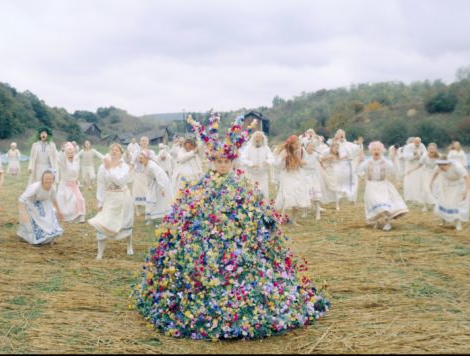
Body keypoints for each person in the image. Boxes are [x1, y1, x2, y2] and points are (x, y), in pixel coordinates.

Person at [130, 113, 330, 340]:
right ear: (212, 161)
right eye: (219, 161)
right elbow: (188, 211)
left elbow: (257, 207)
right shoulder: (200, 186)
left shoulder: (241, 183)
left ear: (232, 161)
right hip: (205, 249)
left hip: (240, 248)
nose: (223, 165)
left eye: (226, 161)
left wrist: (269, 222)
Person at [88, 143, 134, 259]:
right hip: (109, 197)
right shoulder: (102, 166)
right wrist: (100, 201)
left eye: (117, 150)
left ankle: (129, 246)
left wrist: (110, 169)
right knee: (103, 222)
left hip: (123, 196)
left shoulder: (124, 167)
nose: (114, 152)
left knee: (126, 222)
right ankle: (100, 254)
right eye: (112, 150)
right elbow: (101, 184)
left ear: (121, 153)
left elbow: (120, 181)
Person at [357, 141, 408, 231]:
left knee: (385, 204)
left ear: (381, 151)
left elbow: (393, 170)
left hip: (383, 185)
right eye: (374, 149)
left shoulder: (385, 162)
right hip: (371, 185)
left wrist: (393, 158)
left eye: (378, 149)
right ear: (371, 151)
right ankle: (377, 222)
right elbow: (360, 169)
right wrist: (361, 175)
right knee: (374, 202)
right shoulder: (368, 162)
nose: (376, 151)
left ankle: (387, 223)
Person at [17, 169, 64, 245]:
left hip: (43, 206)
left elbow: (54, 200)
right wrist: (23, 213)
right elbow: (21, 199)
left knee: (48, 221)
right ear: (42, 179)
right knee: (31, 227)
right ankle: (30, 238)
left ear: (53, 180)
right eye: (46, 179)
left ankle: (47, 238)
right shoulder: (35, 187)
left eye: (50, 179)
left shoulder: (52, 188)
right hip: (30, 205)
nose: (48, 181)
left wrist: (59, 211)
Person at [274, 135, 311, 226]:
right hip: (288, 174)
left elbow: (306, 163)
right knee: (288, 196)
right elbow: (278, 166)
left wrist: (302, 163)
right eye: (296, 143)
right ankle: (281, 218)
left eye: (298, 142)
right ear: (291, 144)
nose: (298, 144)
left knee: (298, 196)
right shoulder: (285, 151)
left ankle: (293, 220)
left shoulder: (302, 151)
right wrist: (283, 159)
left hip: (299, 175)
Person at [430, 155, 470, 231]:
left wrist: (466, 191)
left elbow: (467, 177)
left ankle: (458, 224)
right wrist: (431, 183)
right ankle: (443, 221)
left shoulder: (457, 167)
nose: (441, 168)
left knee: (455, 204)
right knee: (443, 202)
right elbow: (435, 174)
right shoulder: (439, 167)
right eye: (439, 166)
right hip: (445, 185)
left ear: (447, 164)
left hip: (458, 186)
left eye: (442, 167)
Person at [135, 151, 174, 222]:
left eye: (141, 158)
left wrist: (162, 188)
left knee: (161, 200)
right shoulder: (145, 165)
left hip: (162, 182)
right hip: (155, 182)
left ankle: (164, 216)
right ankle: (152, 217)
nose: (140, 160)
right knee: (151, 198)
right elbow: (149, 177)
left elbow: (159, 176)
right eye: (139, 158)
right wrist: (149, 185)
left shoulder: (152, 166)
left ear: (146, 158)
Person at [240, 131, 275, 202]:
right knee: (251, 194)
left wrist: (267, 162)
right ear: (253, 138)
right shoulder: (248, 148)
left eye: (259, 137)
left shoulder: (266, 148)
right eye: (256, 137)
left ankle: (264, 210)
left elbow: (272, 159)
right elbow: (242, 159)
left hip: (262, 177)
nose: (257, 139)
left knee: (264, 195)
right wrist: (251, 164)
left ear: (262, 139)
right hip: (251, 176)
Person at [56, 142, 86, 223]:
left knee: (80, 199)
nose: (71, 154)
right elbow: (61, 158)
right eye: (68, 153)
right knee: (68, 202)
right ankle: (67, 215)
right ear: (66, 153)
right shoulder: (63, 162)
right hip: (65, 186)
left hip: (74, 185)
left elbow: (76, 173)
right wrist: (63, 151)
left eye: (72, 152)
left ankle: (81, 216)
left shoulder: (76, 161)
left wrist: (76, 180)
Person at [405, 143, 440, 211]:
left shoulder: (439, 156)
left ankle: (436, 205)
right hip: (426, 174)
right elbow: (419, 165)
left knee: (435, 189)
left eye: (433, 149)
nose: (431, 150)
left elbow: (443, 165)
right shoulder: (424, 156)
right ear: (427, 150)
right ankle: (425, 206)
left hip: (436, 174)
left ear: (435, 150)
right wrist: (411, 170)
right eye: (430, 149)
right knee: (426, 189)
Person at [319, 141, 347, 210]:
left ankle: (337, 204)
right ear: (332, 148)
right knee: (324, 186)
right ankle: (320, 202)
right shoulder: (327, 153)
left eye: (338, 148)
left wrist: (343, 158)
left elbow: (337, 160)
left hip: (335, 172)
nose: (336, 150)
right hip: (327, 171)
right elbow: (320, 160)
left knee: (336, 188)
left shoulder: (337, 154)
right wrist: (325, 163)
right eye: (335, 148)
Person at [402, 137, 427, 203]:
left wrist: (421, 156)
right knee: (410, 180)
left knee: (419, 180)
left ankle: (419, 196)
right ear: (414, 142)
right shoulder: (408, 147)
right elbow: (405, 156)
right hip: (410, 165)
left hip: (419, 165)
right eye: (416, 142)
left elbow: (425, 154)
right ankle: (410, 196)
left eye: (419, 142)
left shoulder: (422, 145)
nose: (417, 144)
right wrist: (413, 155)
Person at [302, 141, 323, 220]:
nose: (311, 147)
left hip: (313, 176)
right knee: (305, 194)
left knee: (315, 195)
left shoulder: (316, 154)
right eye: (310, 146)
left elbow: (322, 160)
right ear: (306, 147)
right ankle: (305, 211)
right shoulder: (303, 154)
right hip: (305, 175)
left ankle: (317, 212)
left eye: (313, 146)